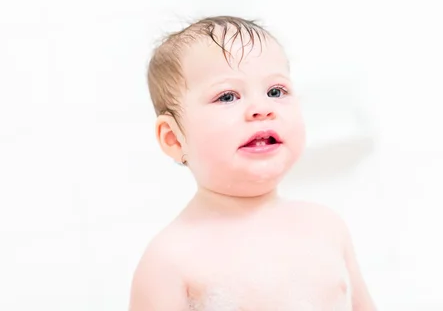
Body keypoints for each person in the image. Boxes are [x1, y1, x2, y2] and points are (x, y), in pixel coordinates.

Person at [128, 16, 376, 310]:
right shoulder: (170, 260)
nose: (262, 109)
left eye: (275, 91)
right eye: (227, 96)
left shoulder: (327, 227)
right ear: (173, 139)